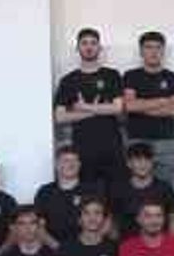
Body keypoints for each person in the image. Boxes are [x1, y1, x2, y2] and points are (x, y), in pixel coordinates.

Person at [53, 28, 125, 184]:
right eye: (84, 43)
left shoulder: (111, 75)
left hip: (112, 146)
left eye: (93, 43)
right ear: (77, 48)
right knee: (87, 192)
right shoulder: (68, 80)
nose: (89, 47)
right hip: (82, 147)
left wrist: (84, 106)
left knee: (116, 191)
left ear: (99, 47)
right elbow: (60, 117)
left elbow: (118, 108)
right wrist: (99, 109)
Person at [123, 31, 174, 186]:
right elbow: (130, 106)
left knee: (164, 189)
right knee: (136, 188)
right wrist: (164, 100)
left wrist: (141, 106)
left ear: (163, 51)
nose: (153, 52)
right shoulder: (130, 76)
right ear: (141, 51)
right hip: (136, 139)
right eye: (148, 47)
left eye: (158, 47)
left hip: (165, 142)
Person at [34, 147, 103, 250]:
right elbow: (39, 227)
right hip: (54, 250)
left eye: (75, 161)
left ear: (79, 165)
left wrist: (90, 244)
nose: (71, 164)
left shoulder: (93, 190)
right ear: (57, 165)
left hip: (88, 249)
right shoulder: (45, 192)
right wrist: (60, 249)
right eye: (66, 160)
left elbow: (106, 220)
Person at [111, 142, 174, 237]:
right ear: (128, 163)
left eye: (147, 159)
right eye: (138, 160)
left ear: (152, 162)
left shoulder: (164, 188)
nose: (143, 164)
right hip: (128, 242)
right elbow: (113, 222)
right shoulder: (119, 190)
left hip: (159, 243)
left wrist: (171, 243)